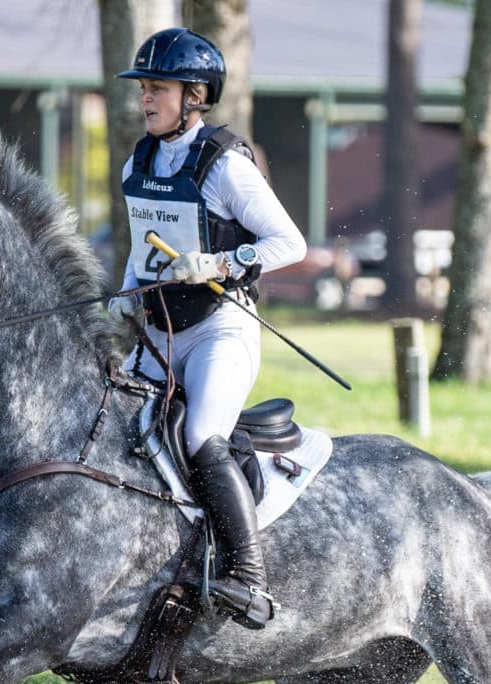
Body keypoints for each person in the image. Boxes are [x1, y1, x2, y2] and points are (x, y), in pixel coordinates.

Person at [108, 27, 306, 630]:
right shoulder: (136, 162)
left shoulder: (226, 167)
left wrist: (221, 263)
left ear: (195, 94)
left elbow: (290, 244)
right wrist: (123, 293)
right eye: (143, 88)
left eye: (157, 88)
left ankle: (250, 577)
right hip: (159, 329)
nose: (145, 99)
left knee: (199, 436)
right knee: (117, 430)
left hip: (221, 328)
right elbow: (144, 245)